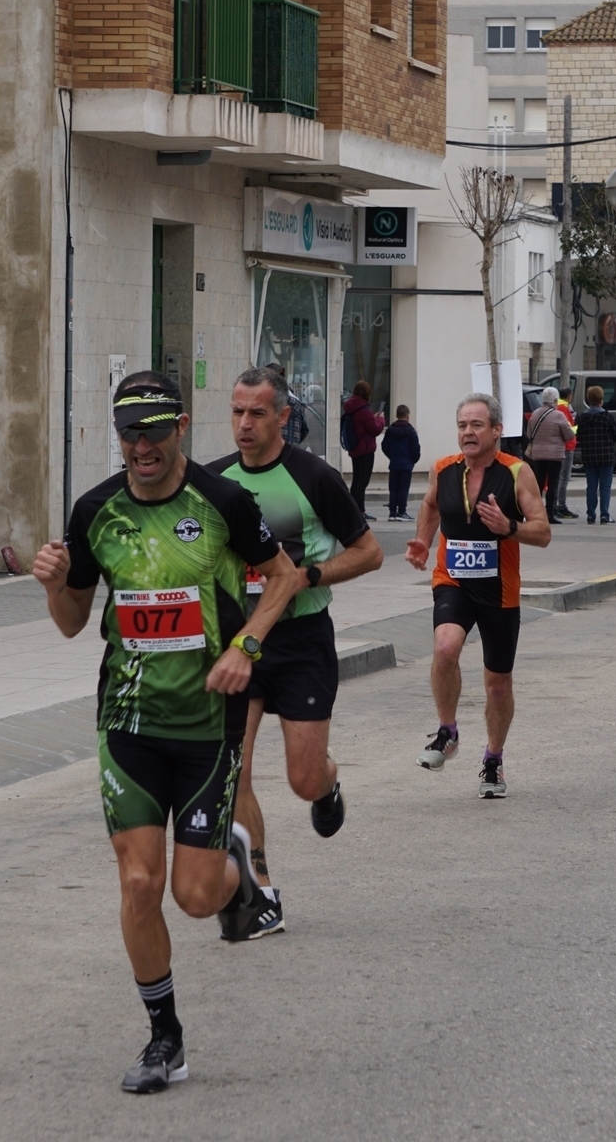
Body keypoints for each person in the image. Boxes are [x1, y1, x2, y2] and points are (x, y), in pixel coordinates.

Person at [29, 372, 299, 1094]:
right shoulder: (95, 512)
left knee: (197, 897)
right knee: (140, 881)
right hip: (129, 721)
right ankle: (165, 1039)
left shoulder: (222, 501)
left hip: (208, 724)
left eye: (153, 432)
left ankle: (235, 870)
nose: (141, 447)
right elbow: (72, 623)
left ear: (181, 427)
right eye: (129, 434)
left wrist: (245, 647)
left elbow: (283, 577)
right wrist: (55, 585)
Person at [209, 367, 384, 942]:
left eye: (257, 413)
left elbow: (368, 552)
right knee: (232, 770)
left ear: (283, 417)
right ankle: (259, 892)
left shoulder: (314, 476)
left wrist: (308, 575)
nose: (244, 424)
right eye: (237, 411)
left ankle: (326, 785)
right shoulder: (214, 481)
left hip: (303, 639)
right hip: (240, 644)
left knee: (302, 778)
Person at [407, 393, 551, 798]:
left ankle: (493, 759)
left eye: (476, 425)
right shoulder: (443, 469)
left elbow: (543, 532)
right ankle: (447, 731)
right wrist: (422, 542)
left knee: (498, 685)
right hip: (452, 579)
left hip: (499, 590)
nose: (467, 433)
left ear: (496, 430)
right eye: (462, 426)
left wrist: (510, 528)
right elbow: (431, 506)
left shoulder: (517, 472)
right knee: (445, 646)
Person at [525, 387, 574, 525]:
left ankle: (535, 512)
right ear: (555, 400)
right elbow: (569, 435)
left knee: (538, 483)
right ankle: (550, 513)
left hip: (538, 454)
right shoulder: (558, 415)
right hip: (555, 455)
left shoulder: (535, 414)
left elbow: (529, 434)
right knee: (553, 484)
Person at [574, 384, 616, 524]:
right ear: (601, 399)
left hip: (589, 457)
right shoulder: (607, 417)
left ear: (588, 400)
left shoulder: (583, 418)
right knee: (605, 487)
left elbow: (579, 435)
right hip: (606, 457)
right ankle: (604, 515)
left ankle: (590, 515)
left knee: (591, 486)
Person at [340, 381, 384, 517]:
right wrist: (381, 420)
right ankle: (361, 511)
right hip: (365, 449)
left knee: (356, 480)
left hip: (355, 448)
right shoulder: (364, 410)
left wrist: (372, 418)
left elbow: (363, 425)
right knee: (363, 482)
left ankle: (353, 509)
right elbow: (375, 430)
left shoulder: (351, 407)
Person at [382, 405, 421, 522]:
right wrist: (412, 460)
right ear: (408, 416)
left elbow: (384, 446)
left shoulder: (390, 430)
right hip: (406, 464)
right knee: (403, 488)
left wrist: (392, 456)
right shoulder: (411, 431)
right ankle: (401, 511)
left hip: (394, 463)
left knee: (393, 488)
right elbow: (415, 449)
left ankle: (392, 512)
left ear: (396, 415)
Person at [267, 363, 310, 448]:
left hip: (274, 450)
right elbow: (304, 430)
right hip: (292, 450)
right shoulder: (295, 401)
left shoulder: (269, 400)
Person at [553, 388, 579, 519]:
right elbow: (569, 429)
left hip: (559, 446)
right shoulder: (564, 408)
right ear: (569, 396)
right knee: (564, 478)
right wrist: (577, 426)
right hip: (567, 446)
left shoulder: (557, 407)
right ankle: (561, 506)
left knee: (557, 477)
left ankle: (554, 505)